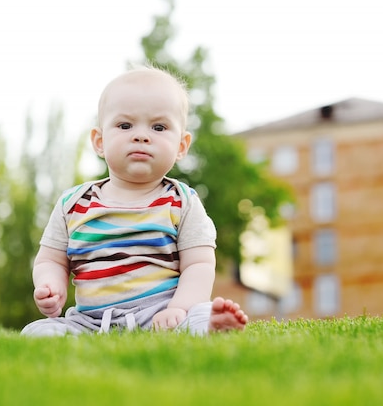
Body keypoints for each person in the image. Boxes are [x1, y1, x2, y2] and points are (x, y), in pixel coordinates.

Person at [21, 65, 248, 337]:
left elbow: (199, 264)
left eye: (159, 127)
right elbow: (51, 260)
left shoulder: (182, 202)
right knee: (38, 332)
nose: (141, 135)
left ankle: (210, 325)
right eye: (125, 125)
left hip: (163, 316)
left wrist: (179, 308)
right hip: (90, 322)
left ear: (181, 146)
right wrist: (50, 285)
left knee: (198, 314)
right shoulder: (73, 203)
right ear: (100, 141)